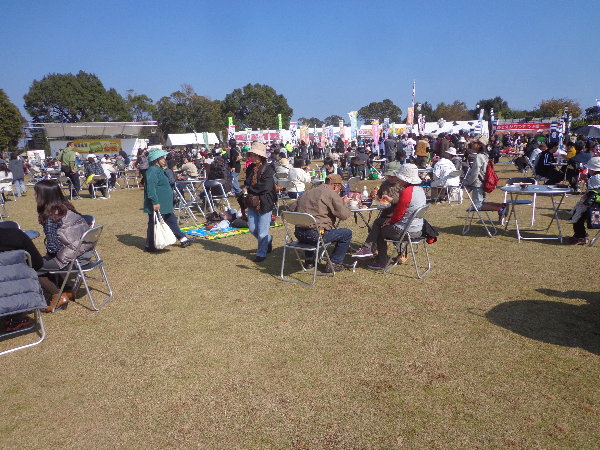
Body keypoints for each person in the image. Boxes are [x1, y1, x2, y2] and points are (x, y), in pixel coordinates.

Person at [34, 180, 94, 311]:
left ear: (42, 196)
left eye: (36, 193)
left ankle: (58, 295)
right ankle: (67, 290)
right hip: (86, 255)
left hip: (72, 260)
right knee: (48, 260)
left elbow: (53, 248)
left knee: (33, 267)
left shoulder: (51, 217)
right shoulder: (67, 208)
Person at [362, 165, 427, 270]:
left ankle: (380, 261)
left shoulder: (407, 192)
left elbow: (399, 214)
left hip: (406, 231)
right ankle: (369, 249)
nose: (398, 179)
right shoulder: (419, 190)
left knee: (380, 229)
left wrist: (390, 222)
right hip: (418, 229)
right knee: (379, 223)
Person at [293, 174, 352, 272]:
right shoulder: (330, 193)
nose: (339, 191)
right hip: (315, 235)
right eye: (339, 189)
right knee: (346, 233)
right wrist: (344, 203)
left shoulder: (308, 192)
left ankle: (309, 261)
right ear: (335, 186)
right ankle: (334, 263)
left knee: (309, 225)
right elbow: (344, 215)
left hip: (299, 233)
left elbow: (292, 208)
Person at [143, 149, 192, 252]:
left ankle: (183, 238)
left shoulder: (159, 169)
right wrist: (154, 201)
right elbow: (151, 188)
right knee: (154, 223)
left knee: (171, 220)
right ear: (156, 160)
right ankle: (150, 245)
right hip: (158, 202)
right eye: (161, 158)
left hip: (165, 203)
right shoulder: (152, 170)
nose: (164, 159)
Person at [243, 142, 276, 262]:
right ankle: (268, 240)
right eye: (251, 155)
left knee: (262, 232)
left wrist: (250, 189)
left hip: (265, 202)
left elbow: (266, 187)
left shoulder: (268, 169)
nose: (252, 157)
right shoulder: (250, 168)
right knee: (252, 228)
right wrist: (246, 188)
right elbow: (247, 182)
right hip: (252, 201)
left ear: (261, 156)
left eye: (254, 155)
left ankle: (261, 253)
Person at [567, 157, 600, 245]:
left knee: (578, 218)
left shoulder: (595, 178)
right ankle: (581, 234)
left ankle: (580, 236)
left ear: (593, 169)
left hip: (592, 203)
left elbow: (593, 192)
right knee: (580, 218)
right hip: (596, 202)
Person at [463, 140, 489, 208]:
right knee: (480, 203)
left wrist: (468, 182)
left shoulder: (479, 156)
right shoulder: (485, 155)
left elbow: (475, 171)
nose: (472, 145)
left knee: (477, 205)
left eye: (474, 144)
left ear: (479, 146)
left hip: (478, 182)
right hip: (483, 180)